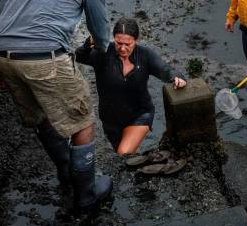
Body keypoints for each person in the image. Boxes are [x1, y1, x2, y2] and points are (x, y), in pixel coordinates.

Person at [0, 0, 112, 212]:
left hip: (5, 57)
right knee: (82, 122)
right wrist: (104, 54)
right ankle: (87, 194)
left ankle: (65, 171)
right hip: (46, 57)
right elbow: (100, 33)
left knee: (42, 116)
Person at [75, 18, 187, 156]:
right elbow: (79, 57)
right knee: (123, 157)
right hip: (110, 120)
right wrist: (88, 44)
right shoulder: (103, 53)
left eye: (128, 44)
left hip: (139, 114)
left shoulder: (145, 55)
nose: (122, 48)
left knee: (124, 153)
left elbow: (165, 70)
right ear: (113, 39)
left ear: (136, 40)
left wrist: (176, 77)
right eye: (118, 43)